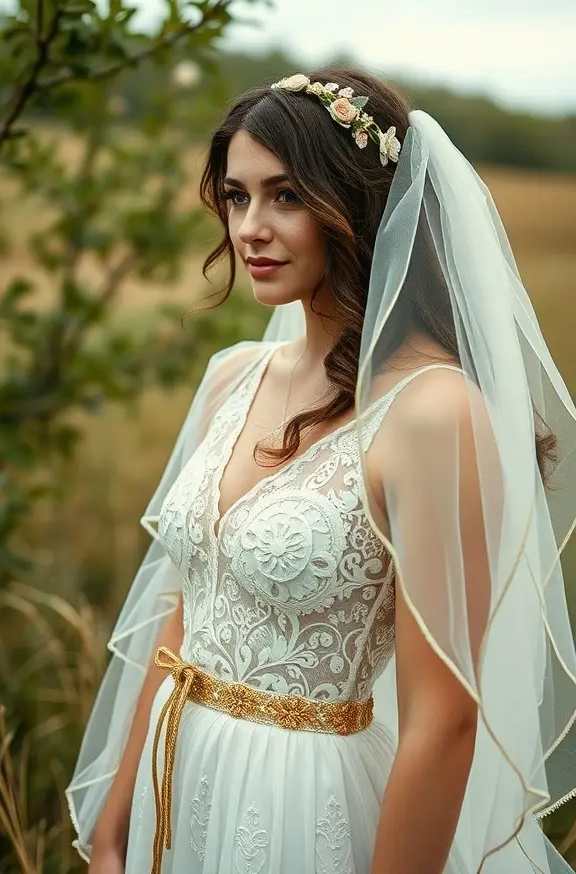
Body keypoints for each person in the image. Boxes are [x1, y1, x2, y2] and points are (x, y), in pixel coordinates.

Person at [66, 68, 576, 874]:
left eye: (287, 196)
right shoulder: (232, 378)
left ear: (356, 205)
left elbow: (445, 721)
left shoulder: (431, 413)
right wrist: (113, 828)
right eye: (237, 197)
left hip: (301, 808)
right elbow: (183, 614)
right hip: (178, 779)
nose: (250, 229)